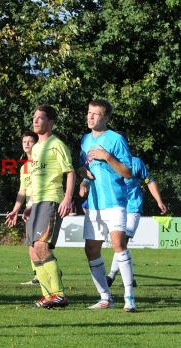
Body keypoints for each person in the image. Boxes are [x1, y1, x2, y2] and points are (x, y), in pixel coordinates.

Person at [78, 99, 136, 312]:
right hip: (94, 203)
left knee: (118, 244)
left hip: (115, 201)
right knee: (91, 249)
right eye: (89, 112)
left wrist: (108, 157)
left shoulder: (116, 139)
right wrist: (83, 179)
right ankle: (105, 297)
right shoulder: (84, 140)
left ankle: (129, 298)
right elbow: (84, 168)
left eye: (96, 114)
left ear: (106, 118)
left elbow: (128, 172)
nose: (90, 117)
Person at [26, 104, 75, 309]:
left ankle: (59, 294)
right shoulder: (36, 148)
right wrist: (29, 204)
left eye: (40, 118)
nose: (36, 121)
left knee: (42, 246)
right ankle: (47, 295)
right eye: (35, 117)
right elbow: (35, 178)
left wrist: (67, 199)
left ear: (51, 122)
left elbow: (70, 172)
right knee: (32, 251)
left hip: (51, 200)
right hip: (36, 203)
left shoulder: (57, 145)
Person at [104, 155, 167, 287]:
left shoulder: (136, 162)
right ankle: (130, 279)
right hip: (115, 207)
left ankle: (111, 276)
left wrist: (159, 201)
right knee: (119, 244)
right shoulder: (106, 161)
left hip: (133, 207)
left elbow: (149, 180)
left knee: (122, 241)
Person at [5, 130, 39, 285]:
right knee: (32, 243)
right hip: (29, 206)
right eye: (24, 142)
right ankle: (39, 275)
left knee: (39, 243)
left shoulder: (41, 163)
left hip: (40, 204)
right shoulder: (24, 167)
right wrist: (15, 209)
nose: (26, 144)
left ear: (36, 143)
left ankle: (46, 273)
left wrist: (32, 204)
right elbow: (22, 190)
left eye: (29, 141)